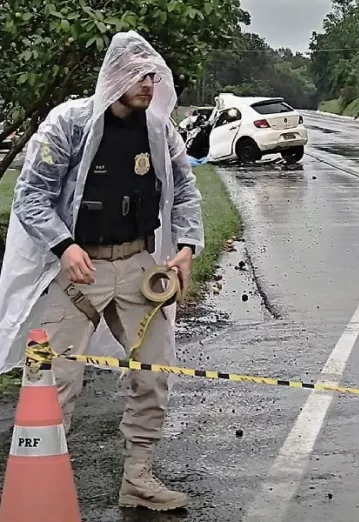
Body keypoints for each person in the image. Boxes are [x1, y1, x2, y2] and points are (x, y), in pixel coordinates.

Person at [0, 31, 204, 511]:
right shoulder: (68, 124)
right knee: (53, 380)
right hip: (77, 269)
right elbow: (31, 196)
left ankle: (139, 478)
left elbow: (187, 190)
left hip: (137, 263)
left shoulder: (160, 131)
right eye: (138, 75)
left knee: (154, 372)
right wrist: (64, 245)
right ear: (114, 75)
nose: (148, 85)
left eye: (153, 76)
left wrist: (189, 246)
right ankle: (38, 488)